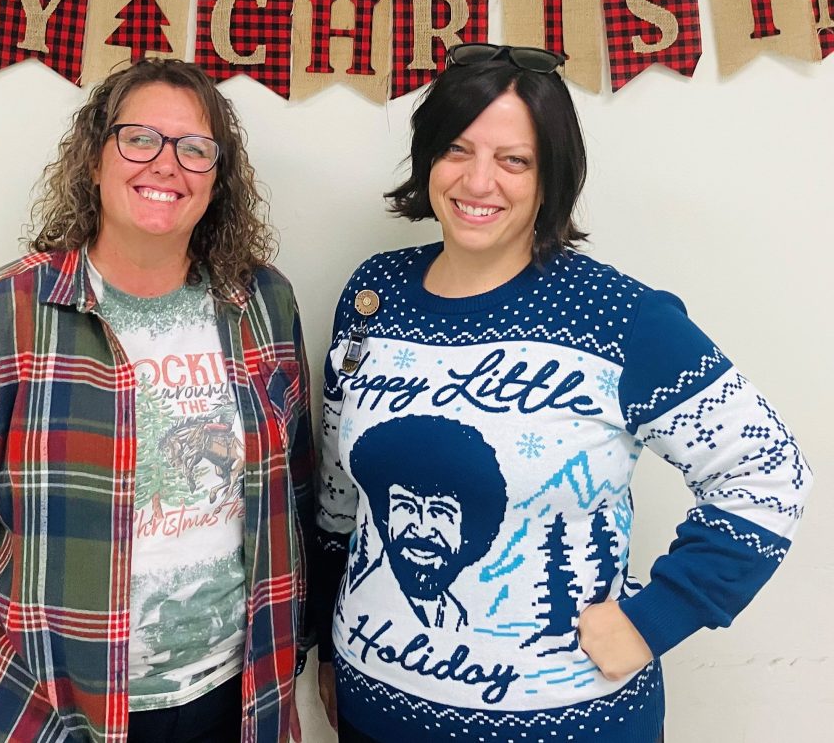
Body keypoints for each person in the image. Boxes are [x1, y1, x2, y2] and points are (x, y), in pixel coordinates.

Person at [313, 43, 812, 743]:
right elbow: (339, 490)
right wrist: (327, 641)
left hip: (570, 725)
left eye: (513, 159)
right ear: (428, 160)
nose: (478, 180)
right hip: (376, 712)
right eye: (457, 149)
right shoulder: (375, 295)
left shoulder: (620, 318)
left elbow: (769, 471)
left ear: (551, 174)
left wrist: (655, 616)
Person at [0, 59, 315, 743]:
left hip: (238, 698)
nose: (166, 164)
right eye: (140, 138)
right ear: (94, 158)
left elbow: (297, 489)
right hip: (56, 713)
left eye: (195, 149)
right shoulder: (3, 315)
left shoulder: (263, 302)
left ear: (217, 180)